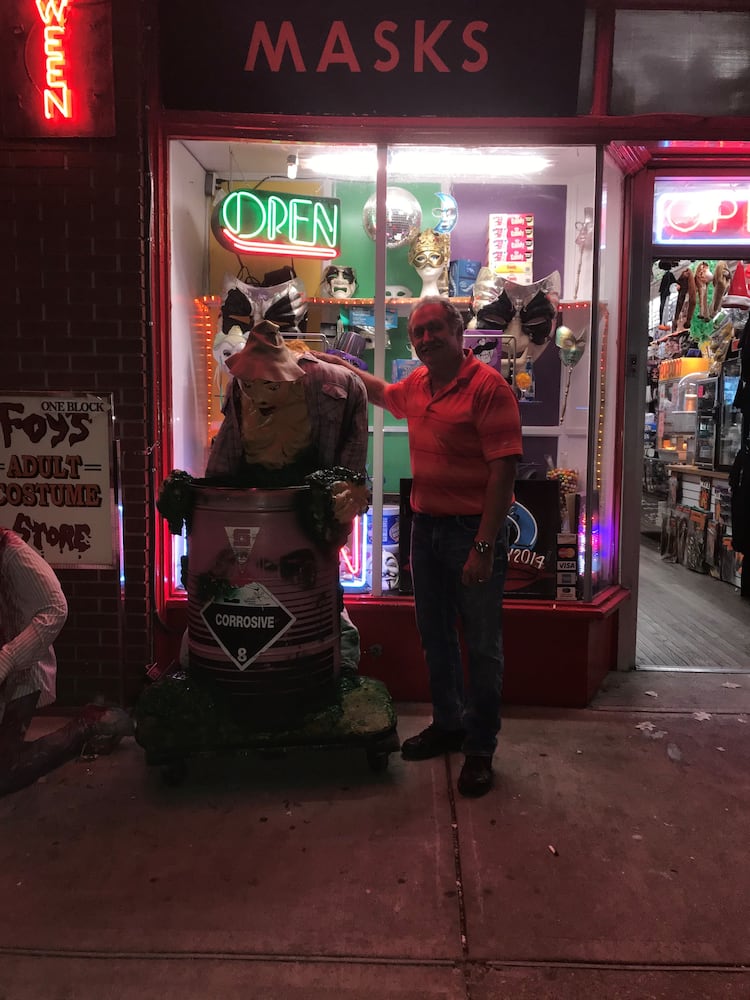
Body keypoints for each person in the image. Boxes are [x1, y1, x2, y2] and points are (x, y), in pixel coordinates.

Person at [318, 297, 522, 797]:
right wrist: (335, 364)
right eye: (418, 334)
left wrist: (484, 546)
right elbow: (385, 394)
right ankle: (449, 723)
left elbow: (504, 471)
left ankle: (479, 747)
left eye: (434, 329)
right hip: (426, 528)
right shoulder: (421, 384)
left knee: (481, 643)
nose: (426, 339)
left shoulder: (489, 388)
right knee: (434, 634)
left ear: (458, 330)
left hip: (472, 530)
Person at [0, 528, 133, 798]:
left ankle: (85, 725)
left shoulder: (10, 552)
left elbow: (56, 607)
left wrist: (9, 657)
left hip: (24, 670)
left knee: (5, 772)